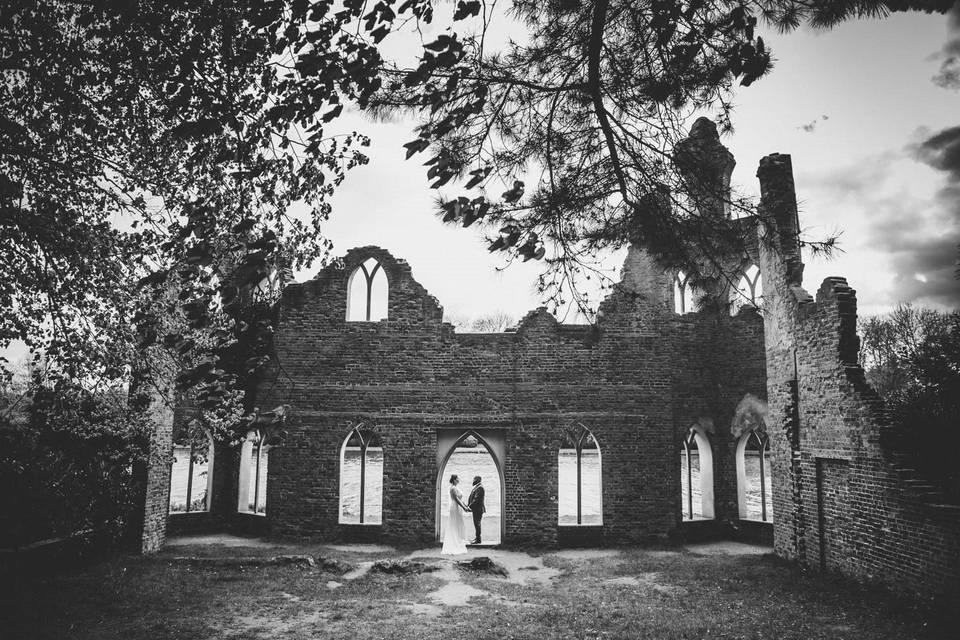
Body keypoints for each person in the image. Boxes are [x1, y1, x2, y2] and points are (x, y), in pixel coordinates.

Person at [441, 474, 471, 555]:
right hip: (455, 508)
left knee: (458, 524)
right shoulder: (453, 488)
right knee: (454, 524)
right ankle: (454, 543)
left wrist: (466, 506)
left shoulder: (456, 488)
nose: (459, 480)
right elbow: (457, 500)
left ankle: (458, 540)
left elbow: (461, 499)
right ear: (454, 480)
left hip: (458, 507)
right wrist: (464, 508)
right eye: (457, 479)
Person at [466, 475, 485, 544]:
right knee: (476, 524)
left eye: (474, 480)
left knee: (477, 524)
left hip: (478, 509)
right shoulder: (478, 487)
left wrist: (469, 507)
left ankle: (478, 539)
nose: (473, 481)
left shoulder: (480, 488)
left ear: (477, 480)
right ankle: (477, 538)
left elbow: (476, 500)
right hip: (476, 509)